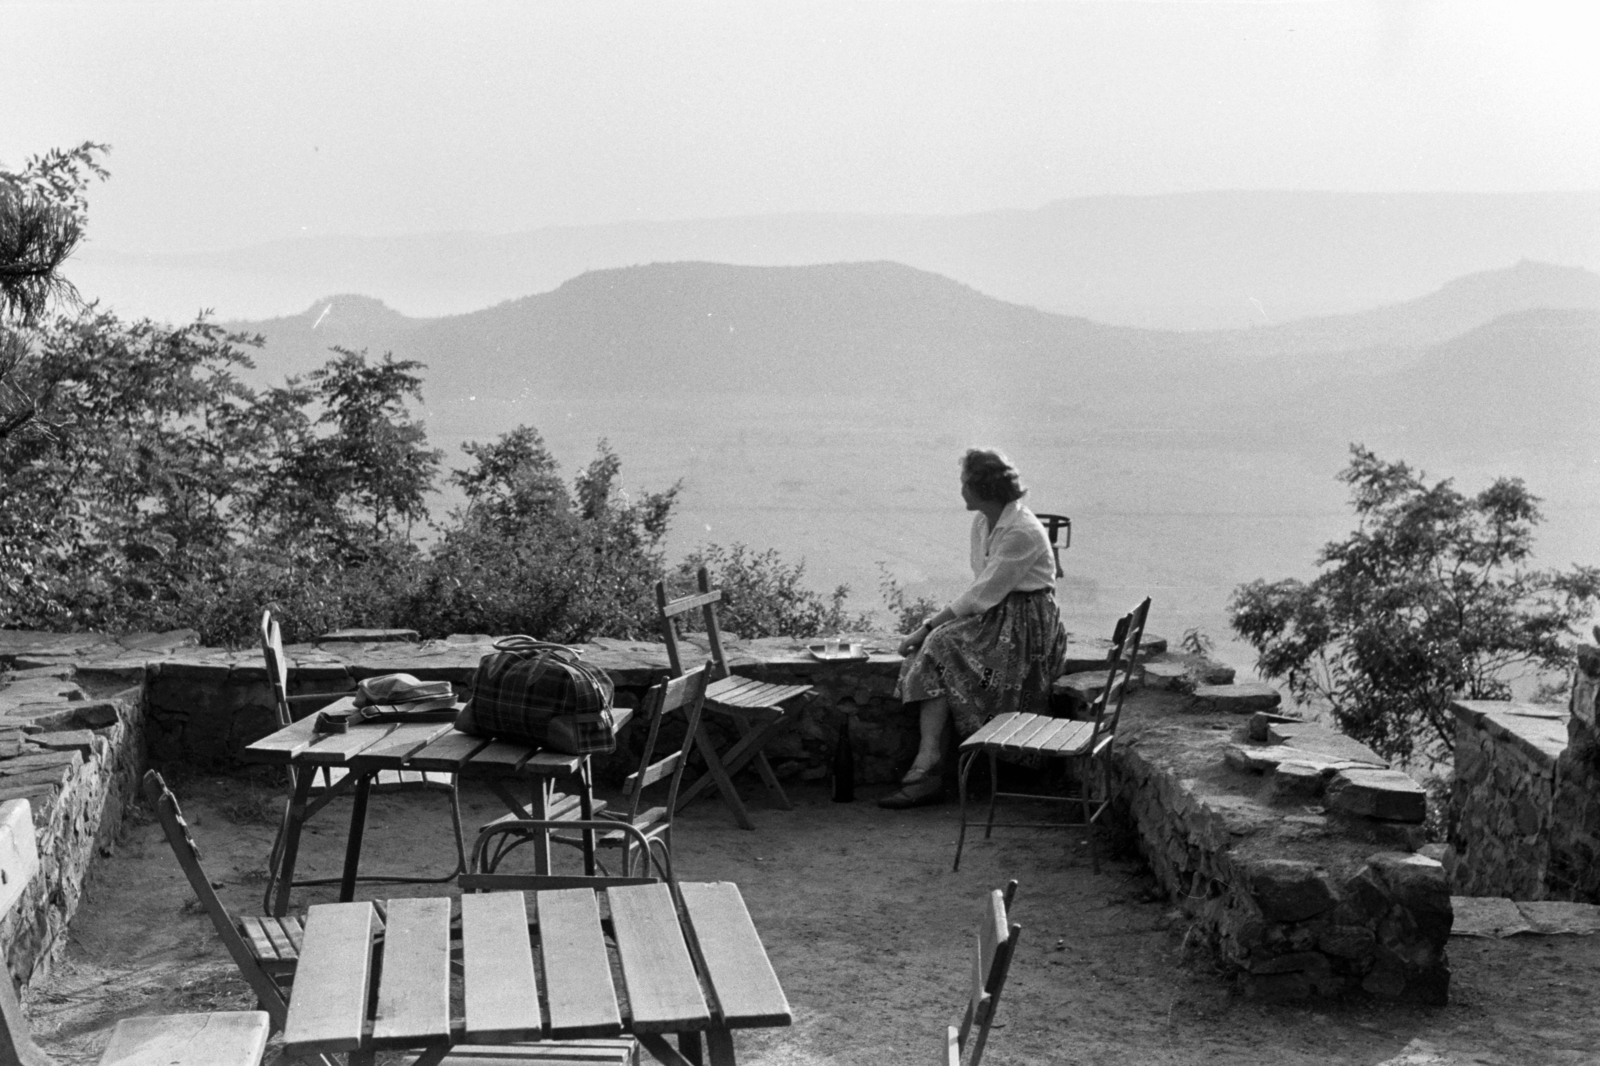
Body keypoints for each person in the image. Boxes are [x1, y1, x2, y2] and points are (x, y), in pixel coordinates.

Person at [878, 448, 1068, 809]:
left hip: (1026, 624)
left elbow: (983, 591)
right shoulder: (984, 522)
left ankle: (929, 766)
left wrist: (926, 626)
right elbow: (983, 587)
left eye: (966, 483)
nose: (961, 490)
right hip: (1001, 614)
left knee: (937, 644)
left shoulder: (1021, 531)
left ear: (984, 488)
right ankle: (929, 763)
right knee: (935, 650)